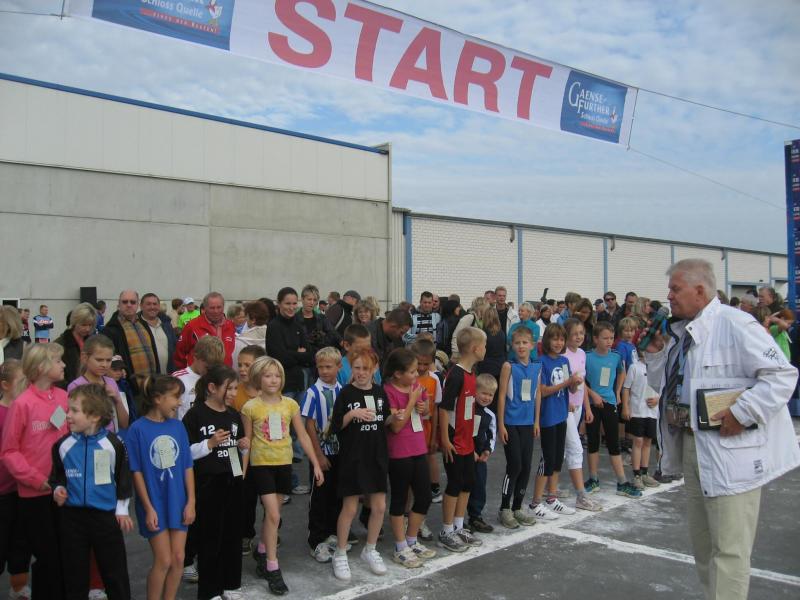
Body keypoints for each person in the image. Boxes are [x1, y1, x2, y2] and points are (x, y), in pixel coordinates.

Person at [646, 259, 799, 600]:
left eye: (675, 289)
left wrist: (742, 412)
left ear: (700, 290)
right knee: (703, 546)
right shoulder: (682, 333)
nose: (669, 296)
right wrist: (655, 355)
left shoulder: (736, 324)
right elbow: (666, 387)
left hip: (732, 452)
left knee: (729, 549)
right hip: (693, 446)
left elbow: (782, 376)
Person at [241, 357, 323, 595]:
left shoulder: (290, 405)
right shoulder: (250, 407)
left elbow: (303, 435)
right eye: (267, 376)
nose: (273, 380)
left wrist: (315, 462)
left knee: (273, 516)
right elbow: (247, 442)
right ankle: (272, 567)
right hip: (261, 466)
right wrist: (242, 473)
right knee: (274, 515)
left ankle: (262, 550)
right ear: (258, 378)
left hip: (283, 464)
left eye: (277, 375)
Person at [50, 384, 133, 600]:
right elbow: (57, 476)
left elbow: (124, 479)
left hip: (105, 517)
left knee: (115, 573)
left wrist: (122, 509)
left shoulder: (114, 444)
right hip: (72, 518)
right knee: (74, 575)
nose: (68, 415)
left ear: (95, 416)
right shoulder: (62, 445)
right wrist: (58, 489)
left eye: (74, 410)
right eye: (68, 409)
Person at [0, 343, 69, 599]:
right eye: (58, 361)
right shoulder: (23, 403)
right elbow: (9, 451)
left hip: (64, 489)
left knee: (64, 552)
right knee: (47, 555)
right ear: (41, 367)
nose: (64, 365)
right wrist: (37, 480)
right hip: (36, 494)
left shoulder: (62, 397)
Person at [125, 375, 195, 600]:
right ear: (157, 398)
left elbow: (187, 465)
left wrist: (191, 501)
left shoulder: (178, 426)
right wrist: (148, 508)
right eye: (175, 397)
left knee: (178, 558)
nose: (179, 402)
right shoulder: (137, 429)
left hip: (178, 501)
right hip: (154, 502)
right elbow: (136, 472)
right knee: (163, 560)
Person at [182, 365, 247, 600]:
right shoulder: (195, 415)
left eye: (236, 388)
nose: (233, 393)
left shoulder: (233, 415)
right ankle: (210, 591)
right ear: (212, 388)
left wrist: (243, 447)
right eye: (229, 388)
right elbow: (185, 453)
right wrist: (208, 444)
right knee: (210, 539)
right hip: (208, 484)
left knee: (233, 536)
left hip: (233, 482)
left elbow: (236, 448)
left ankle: (231, 584)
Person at [329, 348, 390, 582]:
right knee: (350, 508)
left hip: (377, 456)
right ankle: (340, 552)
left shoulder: (380, 392)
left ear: (375, 369)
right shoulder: (345, 394)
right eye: (357, 368)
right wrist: (352, 414)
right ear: (350, 368)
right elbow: (335, 427)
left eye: (366, 368)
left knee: (379, 507)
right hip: (353, 457)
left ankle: (370, 549)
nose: (361, 372)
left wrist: (399, 414)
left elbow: (385, 420)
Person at [383, 348, 436, 569]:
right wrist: (413, 401)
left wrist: (424, 408)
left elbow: (426, 414)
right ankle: (400, 546)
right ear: (398, 373)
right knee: (399, 499)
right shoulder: (388, 391)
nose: (417, 375)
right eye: (412, 371)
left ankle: (412, 539)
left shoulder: (416, 387)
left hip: (418, 448)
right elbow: (396, 426)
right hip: (399, 452)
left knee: (424, 496)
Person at [437, 326, 486, 553]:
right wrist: (445, 440)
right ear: (475, 348)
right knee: (455, 484)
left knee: (468, 482)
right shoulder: (455, 375)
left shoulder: (471, 373)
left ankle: (458, 526)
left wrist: (473, 442)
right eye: (484, 346)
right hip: (454, 441)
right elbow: (444, 409)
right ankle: (446, 531)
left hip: (467, 441)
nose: (485, 349)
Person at [583, 322, 641, 498]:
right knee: (593, 441)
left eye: (611, 338)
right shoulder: (587, 356)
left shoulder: (615, 356)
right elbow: (581, 380)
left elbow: (621, 372)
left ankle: (622, 482)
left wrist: (617, 391)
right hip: (592, 404)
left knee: (613, 442)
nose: (609, 341)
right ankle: (593, 479)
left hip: (610, 402)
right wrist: (592, 394)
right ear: (595, 339)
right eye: (605, 338)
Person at [529, 323, 580, 520]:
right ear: (547, 341)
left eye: (561, 339)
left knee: (558, 457)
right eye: (554, 339)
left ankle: (552, 497)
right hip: (548, 417)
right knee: (547, 458)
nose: (558, 343)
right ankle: (535, 502)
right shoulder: (541, 362)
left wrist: (574, 384)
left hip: (561, 414)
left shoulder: (564, 361)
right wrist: (567, 382)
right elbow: (542, 391)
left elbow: (569, 389)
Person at [300, 347, 346, 563]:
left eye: (329, 366)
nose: (324, 371)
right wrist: (318, 455)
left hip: (339, 452)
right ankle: (316, 540)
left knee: (337, 495)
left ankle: (332, 533)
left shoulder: (342, 390)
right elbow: (309, 425)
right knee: (319, 497)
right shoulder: (312, 392)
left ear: (339, 367)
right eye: (320, 367)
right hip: (321, 454)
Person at [496, 327, 540, 528]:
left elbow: (537, 394)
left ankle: (517, 507)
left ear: (532, 345)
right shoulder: (509, 366)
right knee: (514, 465)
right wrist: (501, 424)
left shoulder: (537, 366)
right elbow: (502, 396)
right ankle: (504, 508)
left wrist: (536, 421)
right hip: (511, 423)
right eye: (517, 343)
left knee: (526, 466)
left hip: (528, 423)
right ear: (512, 346)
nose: (521, 346)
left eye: (525, 343)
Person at [562, 319, 602, 511]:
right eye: (575, 333)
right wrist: (566, 402)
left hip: (578, 407)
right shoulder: (563, 355)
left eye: (581, 333)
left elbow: (583, 384)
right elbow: (560, 382)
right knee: (575, 448)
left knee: (562, 449)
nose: (579, 336)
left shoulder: (582, 354)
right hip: (565, 408)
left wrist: (587, 408)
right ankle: (581, 495)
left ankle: (549, 489)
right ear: (567, 334)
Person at [0, 359, 32, 600]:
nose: (26, 386)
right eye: (22, 381)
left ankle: (19, 588)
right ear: (5, 385)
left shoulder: (28, 407)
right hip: (2, 490)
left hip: (23, 489)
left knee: (21, 543)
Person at [66, 334, 130, 432]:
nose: (104, 365)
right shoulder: (76, 386)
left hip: (110, 438)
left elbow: (124, 424)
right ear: (84, 357)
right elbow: (73, 423)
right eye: (99, 360)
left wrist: (117, 400)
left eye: (108, 360)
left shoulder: (111, 382)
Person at [410, 339, 443, 517]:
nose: (422, 367)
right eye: (419, 363)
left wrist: (434, 437)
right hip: (409, 430)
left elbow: (436, 409)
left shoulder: (434, 380)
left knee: (426, 463)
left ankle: (432, 490)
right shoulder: (407, 377)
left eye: (426, 363)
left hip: (427, 428)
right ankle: (408, 512)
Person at [101, 291, 156, 394]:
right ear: (119, 304)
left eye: (133, 302)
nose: (129, 305)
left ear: (138, 305)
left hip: (151, 387)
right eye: (125, 302)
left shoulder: (144, 325)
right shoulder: (110, 330)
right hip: (129, 389)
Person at [621, 347, 660, 490]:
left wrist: (658, 399)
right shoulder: (634, 367)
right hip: (637, 411)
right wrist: (625, 407)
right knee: (638, 441)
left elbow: (663, 388)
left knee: (648, 442)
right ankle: (636, 475)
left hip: (652, 412)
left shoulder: (658, 367)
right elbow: (626, 388)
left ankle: (644, 472)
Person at [466, 374, 497, 534]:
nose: (486, 397)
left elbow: (492, 435)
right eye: (483, 393)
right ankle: (457, 520)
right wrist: (469, 451)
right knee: (462, 486)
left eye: (490, 395)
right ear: (475, 391)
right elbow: (462, 431)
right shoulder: (467, 408)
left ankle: (475, 517)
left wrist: (487, 450)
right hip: (465, 454)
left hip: (480, 458)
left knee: (479, 486)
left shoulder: (490, 415)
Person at [174, 292, 236, 369]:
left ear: (223, 307)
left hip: (224, 373)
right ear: (205, 308)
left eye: (219, 307)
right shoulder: (192, 326)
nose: (216, 311)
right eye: (212, 308)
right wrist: (187, 374)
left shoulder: (230, 325)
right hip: (199, 375)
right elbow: (180, 355)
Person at [174, 335, 225, 421]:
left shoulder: (217, 380)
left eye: (214, 368)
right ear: (196, 357)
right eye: (207, 367)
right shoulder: (179, 379)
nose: (209, 372)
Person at [54, 302, 98, 388]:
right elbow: (56, 376)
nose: (87, 329)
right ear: (74, 322)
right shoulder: (60, 344)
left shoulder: (94, 342)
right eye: (83, 325)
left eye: (90, 325)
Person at [139, 293, 177, 375]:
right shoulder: (136, 326)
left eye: (155, 304)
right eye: (148, 304)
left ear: (159, 306)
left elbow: (175, 348)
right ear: (141, 306)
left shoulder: (167, 325)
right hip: (147, 377)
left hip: (168, 376)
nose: (152, 307)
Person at [232, 301, 269, 368]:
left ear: (253, 320)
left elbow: (236, 365)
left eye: (247, 317)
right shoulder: (275, 336)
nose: (246, 320)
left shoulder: (240, 340)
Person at [233, 345, 266, 413]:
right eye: (239, 365)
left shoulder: (271, 391)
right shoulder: (234, 393)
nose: (241, 369)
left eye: (247, 365)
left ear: (260, 367)